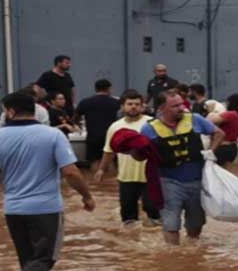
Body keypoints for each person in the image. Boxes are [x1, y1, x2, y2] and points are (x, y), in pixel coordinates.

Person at [0, 91, 95, 271]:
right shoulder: (52, 135)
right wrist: (87, 196)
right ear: (35, 109)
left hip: (13, 209)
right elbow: (71, 172)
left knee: (28, 260)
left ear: (10, 111)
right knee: (45, 259)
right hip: (46, 209)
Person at [140, 90, 225, 245]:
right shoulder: (148, 129)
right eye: (175, 106)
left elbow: (219, 133)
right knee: (171, 223)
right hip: (168, 181)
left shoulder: (196, 120)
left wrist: (211, 151)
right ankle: (173, 257)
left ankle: (191, 251)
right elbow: (140, 156)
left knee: (196, 223)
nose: (181, 108)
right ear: (161, 109)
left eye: (182, 104)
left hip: (197, 181)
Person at [94, 89, 160, 227]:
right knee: (128, 219)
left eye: (137, 104)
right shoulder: (115, 127)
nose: (133, 107)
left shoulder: (153, 123)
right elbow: (108, 150)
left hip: (150, 177)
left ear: (143, 106)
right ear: (122, 106)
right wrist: (101, 170)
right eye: (129, 104)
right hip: (126, 177)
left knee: (155, 216)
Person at [75, 79, 120, 167]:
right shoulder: (116, 102)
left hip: (93, 137)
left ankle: (94, 180)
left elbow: (76, 118)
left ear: (95, 89)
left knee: (93, 164)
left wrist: (80, 125)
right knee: (110, 163)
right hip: (110, 137)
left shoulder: (85, 102)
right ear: (109, 89)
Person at [207, 93, 238, 168]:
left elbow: (209, 121)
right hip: (232, 148)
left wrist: (211, 112)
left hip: (222, 148)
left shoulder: (230, 114)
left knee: (213, 173)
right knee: (224, 173)